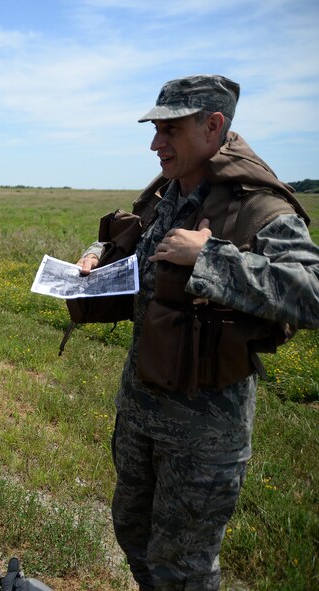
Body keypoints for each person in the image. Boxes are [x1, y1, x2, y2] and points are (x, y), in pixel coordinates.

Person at [76, 75, 318, 589]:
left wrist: (209, 257)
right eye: (155, 128)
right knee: (133, 535)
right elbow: (145, 257)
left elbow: (312, 293)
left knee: (182, 569)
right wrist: (98, 257)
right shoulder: (169, 193)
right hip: (141, 410)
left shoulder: (259, 207)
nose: (155, 143)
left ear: (213, 126)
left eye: (170, 129)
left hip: (204, 433)